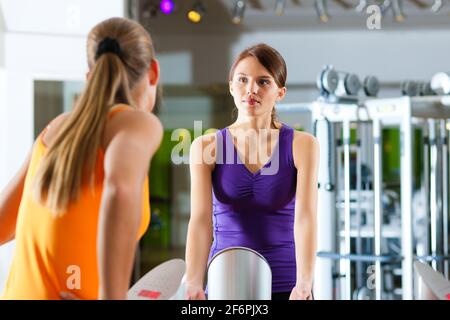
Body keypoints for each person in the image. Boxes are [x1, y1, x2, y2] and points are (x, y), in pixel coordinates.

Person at [0, 17, 162, 300]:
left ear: (91, 76)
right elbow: (121, 189)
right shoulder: (137, 124)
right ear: (153, 72)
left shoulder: (56, 130)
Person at [185, 43, 319, 300]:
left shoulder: (303, 145)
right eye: (243, 80)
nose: (251, 90)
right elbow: (200, 221)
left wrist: (304, 283)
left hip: (285, 285)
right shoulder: (206, 147)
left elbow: (306, 219)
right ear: (231, 86)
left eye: (263, 82)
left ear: (280, 92)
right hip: (224, 281)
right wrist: (193, 281)